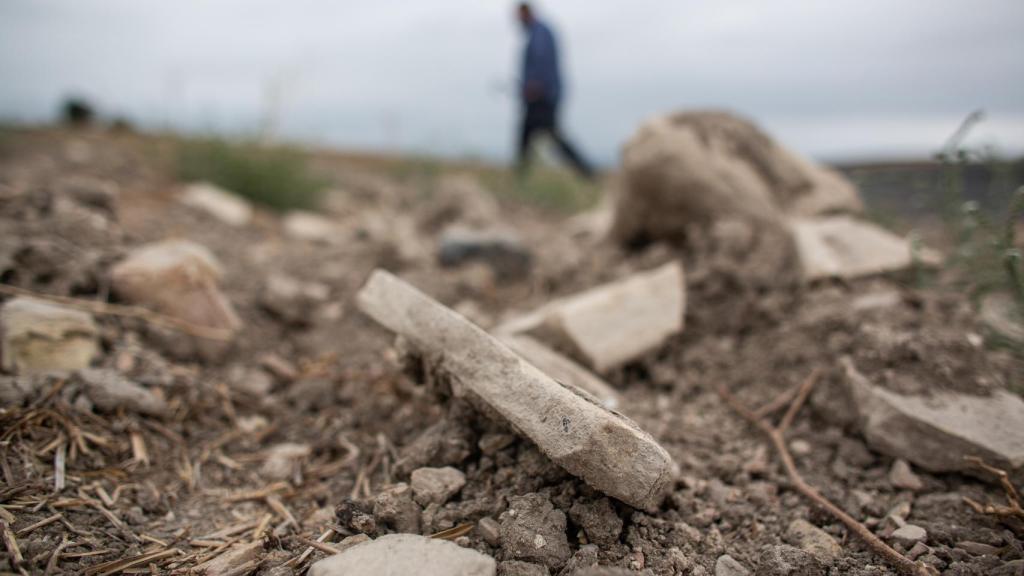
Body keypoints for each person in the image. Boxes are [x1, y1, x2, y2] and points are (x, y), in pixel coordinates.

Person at [515, 2, 594, 180]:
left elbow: (542, 60)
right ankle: (521, 176)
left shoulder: (539, 33)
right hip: (543, 94)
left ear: (526, 14)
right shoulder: (538, 32)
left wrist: (534, 85)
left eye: (518, 17)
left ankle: (587, 172)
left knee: (547, 135)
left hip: (542, 96)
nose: (517, 22)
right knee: (528, 134)